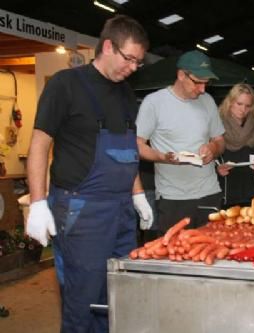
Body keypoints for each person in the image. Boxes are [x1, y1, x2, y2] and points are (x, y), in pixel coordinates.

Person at [25, 15, 152, 333]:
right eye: (129, 59)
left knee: (117, 294)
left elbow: (127, 151)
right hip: (81, 210)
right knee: (82, 300)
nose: (133, 68)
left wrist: (137, 194)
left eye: (139, 62)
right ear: (108, 46)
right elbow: (39, 144)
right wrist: (38, 203)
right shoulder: (65, 85)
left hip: (121, 211)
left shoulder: (125, 93)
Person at [136, 50, 225, 231]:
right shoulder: (154, 102)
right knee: (176, 254)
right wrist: (162, 157)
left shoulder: (208, 101)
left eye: (206, 83)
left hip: (210, 193)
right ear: (181, 75)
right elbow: (137, 145)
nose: (202, 89)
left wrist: (212, 148)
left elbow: (220, 141)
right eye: (198, 82)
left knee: (212, 252)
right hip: (172, 198)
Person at [216, 83, 254, 206]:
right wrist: (216, 169)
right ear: (230, 102)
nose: (243, 109)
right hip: (224, 196)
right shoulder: (216, 126)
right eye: (239, 104)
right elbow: (207, 159)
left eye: (247, 106)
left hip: (252, 196)